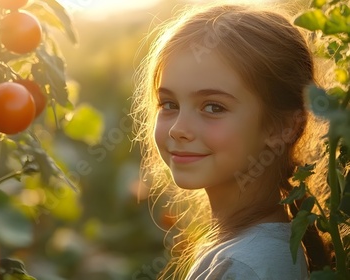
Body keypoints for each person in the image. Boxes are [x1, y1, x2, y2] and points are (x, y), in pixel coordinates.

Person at [131, 3, 331, 279]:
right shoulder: (242, 251)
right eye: (168, 104)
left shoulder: (249, 266)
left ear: (283, 126)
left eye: (213, 107)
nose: (178, 129)